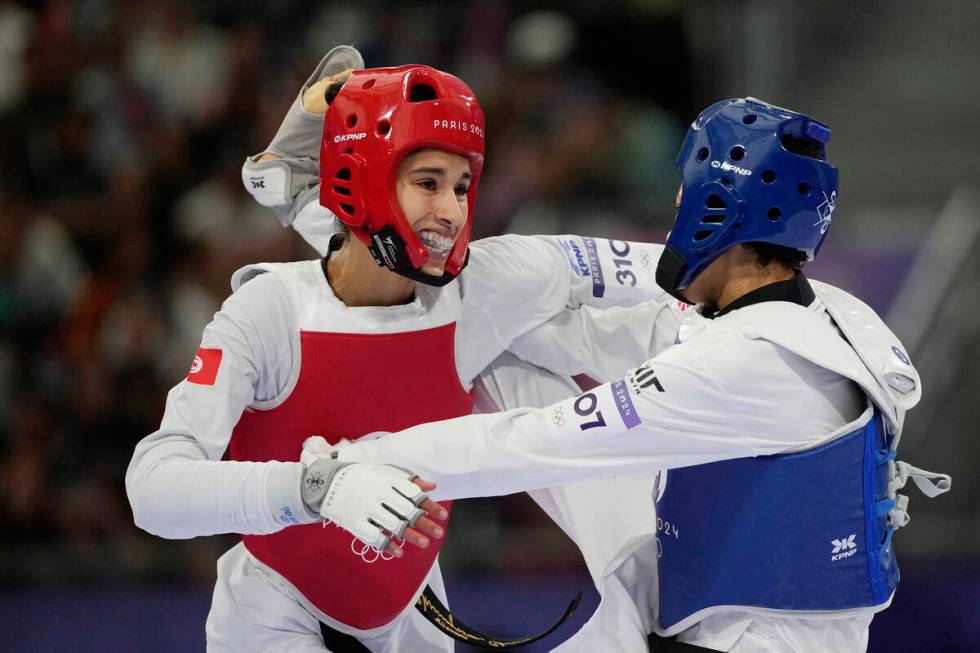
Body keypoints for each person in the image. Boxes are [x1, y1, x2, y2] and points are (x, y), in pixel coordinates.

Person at [316, 97, 952, 652]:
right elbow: (600, 336)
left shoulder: (744, 367)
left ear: (717, 209)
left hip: (736, 638)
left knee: (520, 409)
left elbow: (531, 443)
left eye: (684, 192)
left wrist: (354, 461)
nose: (672, 208)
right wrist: (397, 252)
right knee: (499, 354)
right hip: (703, 607)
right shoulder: (825, 314)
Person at [125, 47, 668, 652]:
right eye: (428, 183)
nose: (452, 212)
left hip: (412, 617)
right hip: (271, 619)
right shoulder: (269, 312)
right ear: (363, 181)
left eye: (462, 186)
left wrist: (788, 296)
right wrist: (318, 488)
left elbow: (663, 269)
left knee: (543, 348)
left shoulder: (482, 286)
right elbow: (153, 490)